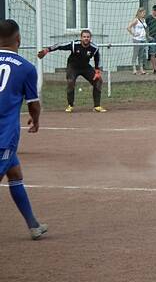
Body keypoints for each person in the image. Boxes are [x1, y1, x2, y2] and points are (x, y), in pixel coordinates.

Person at [0, 19, 48, 240]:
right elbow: (33, 104)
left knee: (15, 173)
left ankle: (33, 225)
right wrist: (36, 120)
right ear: (18, 39)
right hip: (3, 136)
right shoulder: (26, 67)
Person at [37, 29, 106, 113]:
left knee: (98, 81)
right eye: (84, 37)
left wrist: (97, 70)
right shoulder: (74, 45)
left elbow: (97, 58)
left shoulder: (94, 48)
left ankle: (97, 106)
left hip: (85, 67)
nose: (86, 38)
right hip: (73, 67)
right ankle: (70, 105)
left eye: (88, 37)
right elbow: (59, 45)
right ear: (81, 38)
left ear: (90, 38)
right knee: (70, 82)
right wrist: (47, 50)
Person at [127, 7, 147, 75]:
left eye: (144, 13)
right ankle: (134, 68)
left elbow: (145, 28)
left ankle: (141, 68)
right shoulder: (136, 20)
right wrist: (133, 33)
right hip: (137, 39)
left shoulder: (144, 20)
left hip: (143, 39)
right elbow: (128, 27)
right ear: (139, 13)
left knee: (141, 55)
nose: (144, 14)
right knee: (135, 53)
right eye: (143, 12)